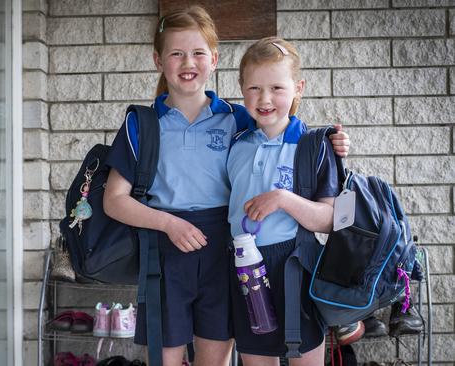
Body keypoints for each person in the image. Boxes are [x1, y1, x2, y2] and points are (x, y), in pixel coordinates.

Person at [103, 7, 349, 366]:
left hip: (226, 250)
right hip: (166, 249)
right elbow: (114, 200)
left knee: (217, 358)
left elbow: (282, 123)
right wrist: (168, 223)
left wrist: (332, 141)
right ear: (158, 60)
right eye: (176, 53)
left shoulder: (237, 119)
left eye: (198, 52)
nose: (188, 62)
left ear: (214, 59)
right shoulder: (142, 124)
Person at [226, 36, 339, 365]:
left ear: (298, 87)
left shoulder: (313, 146)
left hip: (294, 267)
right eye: (254, 88)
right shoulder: (236, 144)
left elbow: (329, 219)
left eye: (276, 88)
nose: (264, 99)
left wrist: (283, 199)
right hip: (244, 270)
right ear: (242, 88)